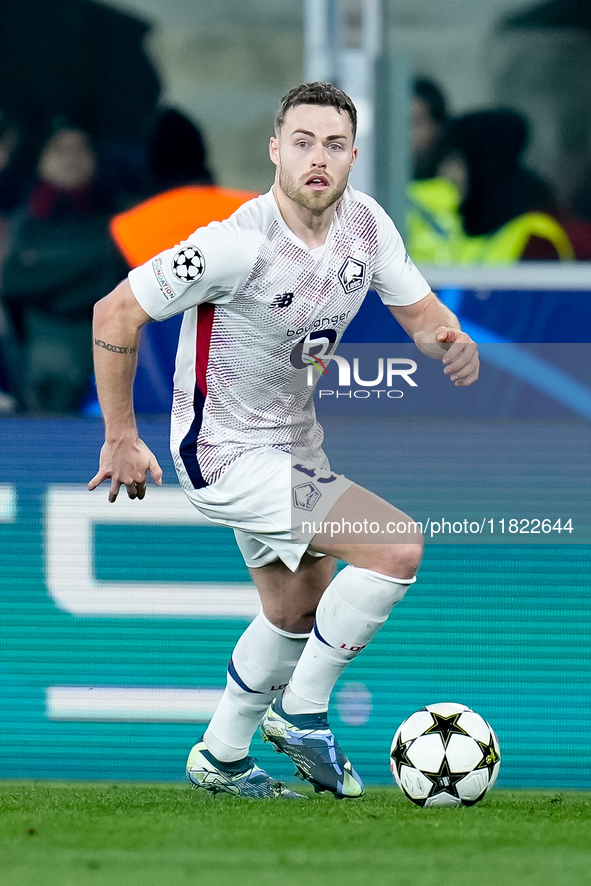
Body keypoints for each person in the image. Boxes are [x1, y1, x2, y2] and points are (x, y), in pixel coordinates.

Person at [89, 82, 479, 800]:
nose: (317, 158)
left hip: (293, 446)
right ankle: (300, 713)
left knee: (296, 605)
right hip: (225, 453)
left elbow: (422, 318)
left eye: (333, 144)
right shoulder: (232, 245)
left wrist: (446, 342)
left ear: (353, 154)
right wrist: (120, 436)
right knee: (394, 545)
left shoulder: (366, 225)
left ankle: (222, 756)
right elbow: (114, 312)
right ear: (275, 150)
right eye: (301, 142)